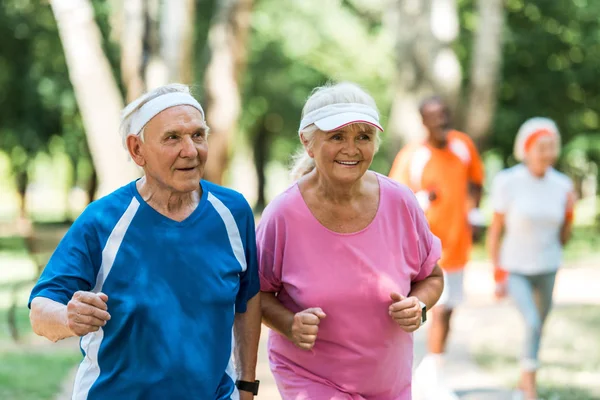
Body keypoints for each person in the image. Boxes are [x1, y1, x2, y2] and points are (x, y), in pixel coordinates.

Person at [28, 83, 262, 400]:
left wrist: (246, 386)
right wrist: (69, 317)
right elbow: (41, 313)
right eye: (172, 138)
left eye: (197, 135)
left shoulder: (233, 212)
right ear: (137, 150)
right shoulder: (102, 220)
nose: (191, 151)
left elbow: (247, 301)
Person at [256, 82, 444, 400]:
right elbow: (254, 292)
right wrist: (288, 324)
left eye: (363, 137)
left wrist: (420, 305)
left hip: (389, 383)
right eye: (337, 136)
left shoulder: (401, 202)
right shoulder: (283, 214)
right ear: (308, 143)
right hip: (311, 378)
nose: (351, 148)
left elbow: (433, 277)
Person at [388, 96, 485, 399]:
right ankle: (427, 374)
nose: (442, 120)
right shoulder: (413, 156)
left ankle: (432, 369)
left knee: (450, 308)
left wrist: (473, 212)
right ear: (423, 121)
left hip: (458, 244)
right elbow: (395, 199)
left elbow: (476, 183)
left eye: (444, 114)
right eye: (434, 116)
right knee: (435, 308)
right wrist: (421, 199)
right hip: (423, 251)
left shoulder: (462, 146)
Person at [487, 117, 575, 400]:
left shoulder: (562, 185)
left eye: (552, 147)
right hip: (516, 269)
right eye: (541, 147)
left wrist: (570, 215)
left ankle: (522, 385)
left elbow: (563, 237)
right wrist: (497, 273)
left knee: (538, 328)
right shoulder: (508, 181)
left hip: (549, 266)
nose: (547, 154)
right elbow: (495, 231)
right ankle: (531, 393)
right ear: (526, 149)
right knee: (533, 323)